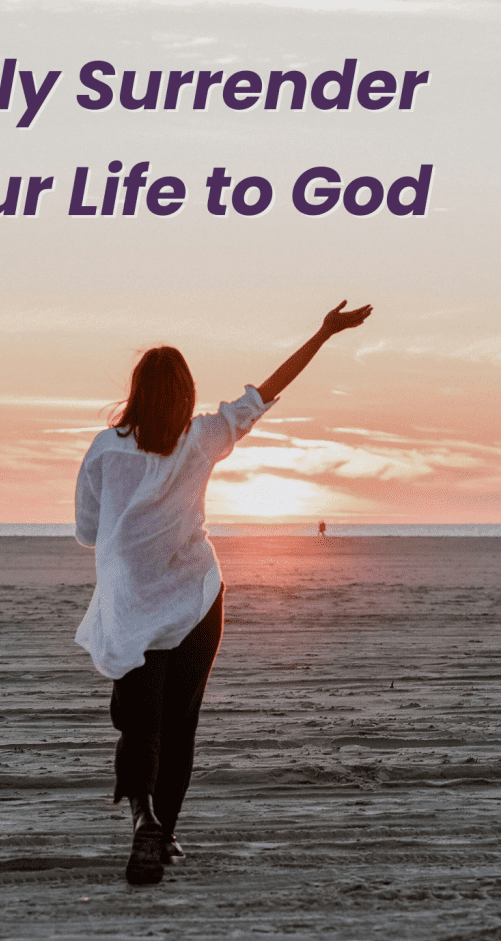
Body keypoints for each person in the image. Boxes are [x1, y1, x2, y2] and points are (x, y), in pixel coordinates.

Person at [74, 300, 372, 884]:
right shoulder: (204, 437)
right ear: (184, 394)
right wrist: (323, 332)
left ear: (135, 392)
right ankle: (168, 830)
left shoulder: (106, 450)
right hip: (196, 602)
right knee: (180, 725)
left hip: (132, 610)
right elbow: (269, 389)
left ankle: (146, 821)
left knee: (140, 725)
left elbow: (88, 531)